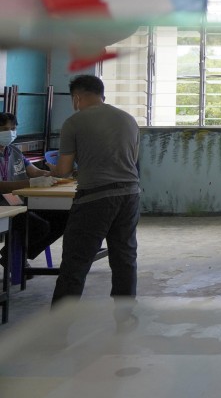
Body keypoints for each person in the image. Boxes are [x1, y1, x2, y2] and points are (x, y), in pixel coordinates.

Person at [50, 74, 142, 307]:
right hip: (130, 195)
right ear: (102, 95)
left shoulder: (74, 122)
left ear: (77, 97)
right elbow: (129, 160)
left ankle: (57, 331)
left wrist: (47, 171)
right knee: (124, 257)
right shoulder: (128, 119)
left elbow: (63, 171)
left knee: (76, 262)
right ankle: (125, 317)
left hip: (95, 198)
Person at [0, 113, 67, 268]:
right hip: (4, 205)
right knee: (38, 226)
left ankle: (14, 255)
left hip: (20, 202)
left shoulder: (13, 151)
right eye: (4, 129)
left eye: (13, 128)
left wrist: (53, 173)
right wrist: (31, 183)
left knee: (64, 216)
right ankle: (14, 256)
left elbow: (34, 171)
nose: (10, 132)